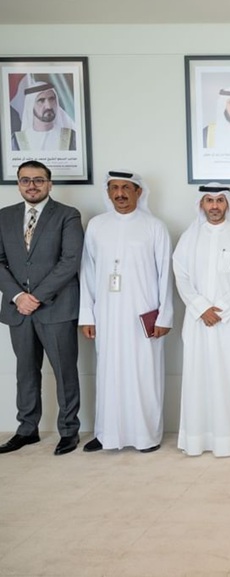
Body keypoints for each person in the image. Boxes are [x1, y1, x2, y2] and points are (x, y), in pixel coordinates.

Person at [79, 170, 173, 453]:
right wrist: (88, 316)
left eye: (126, 188)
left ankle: (146, 436)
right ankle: (106, 434)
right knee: (108, 373)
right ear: (108, 193)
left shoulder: (154, 226)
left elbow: (165, 274)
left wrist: (164, 316)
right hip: (107, 314)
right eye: (114, 188)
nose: (120, 194)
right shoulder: (96, 225)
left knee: (144, 374)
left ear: (138, 192)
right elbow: (88, 272)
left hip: (143, 314)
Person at [0, 161, 83, 456]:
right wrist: (17, 296)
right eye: (25, 180)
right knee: (25, 372)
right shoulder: (4, 216)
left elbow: (70, 261)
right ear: (18, 184)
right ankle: (27, 429)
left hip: (56, 307)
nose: (31, 185)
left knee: (64, 371)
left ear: (49, 183)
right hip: (18, 310)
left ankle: (69, 431)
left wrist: (34, 297)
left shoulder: (67, 215)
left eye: (38, 180)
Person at [173, 183, 230, 457]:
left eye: (220, 200)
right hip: (198, 321)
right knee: (198, 378)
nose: (215, 206)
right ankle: (197, 439)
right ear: (201, 204)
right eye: (209, 200)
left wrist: (220, 310)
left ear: (227, 204)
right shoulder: (188, 238)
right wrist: (201, 308)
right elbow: (181, 276)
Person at [11, 82, 78, 151]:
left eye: (51, 99)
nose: (49, 106)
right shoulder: (17, 141)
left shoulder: (71, 138)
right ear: (30, 106)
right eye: (41, 100)